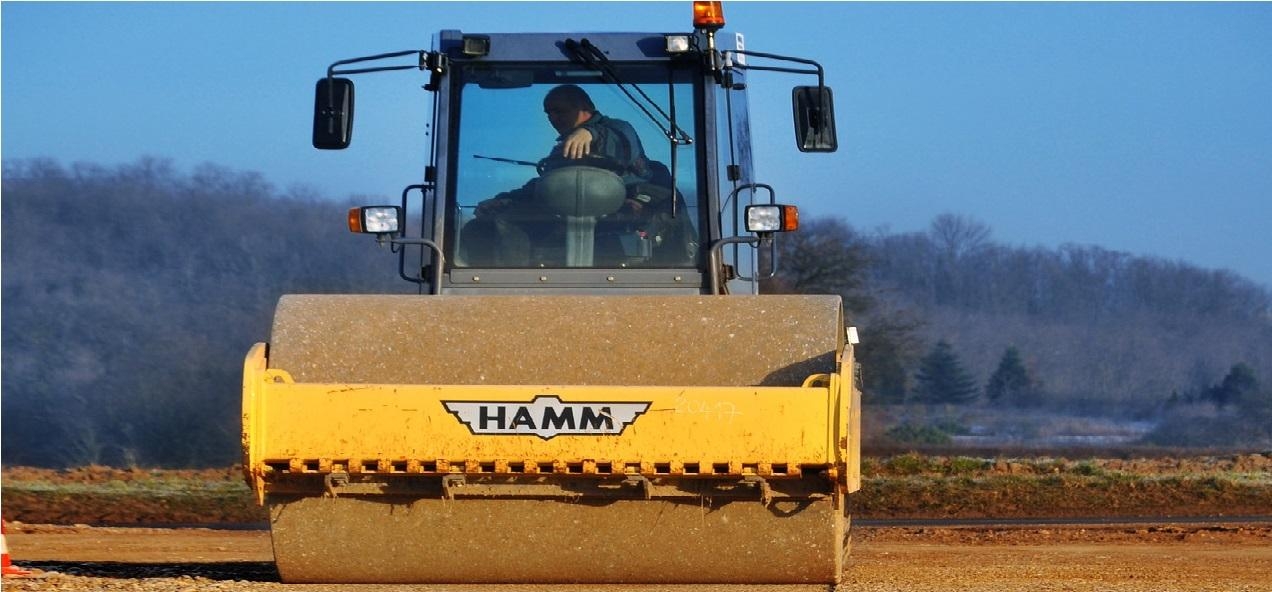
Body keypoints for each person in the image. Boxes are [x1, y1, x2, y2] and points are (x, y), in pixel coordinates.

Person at [461, 85, 659, 266]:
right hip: (564, 218)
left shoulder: (618, 129)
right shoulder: (563, 150)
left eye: (560, 111)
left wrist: (590, 133)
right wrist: (504, 200)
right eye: (549, 113)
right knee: (482, 229)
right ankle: (504, 291)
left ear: (586, 108)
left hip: (620, 216)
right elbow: (547, 185)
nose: (553, 118)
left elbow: (619, 142)